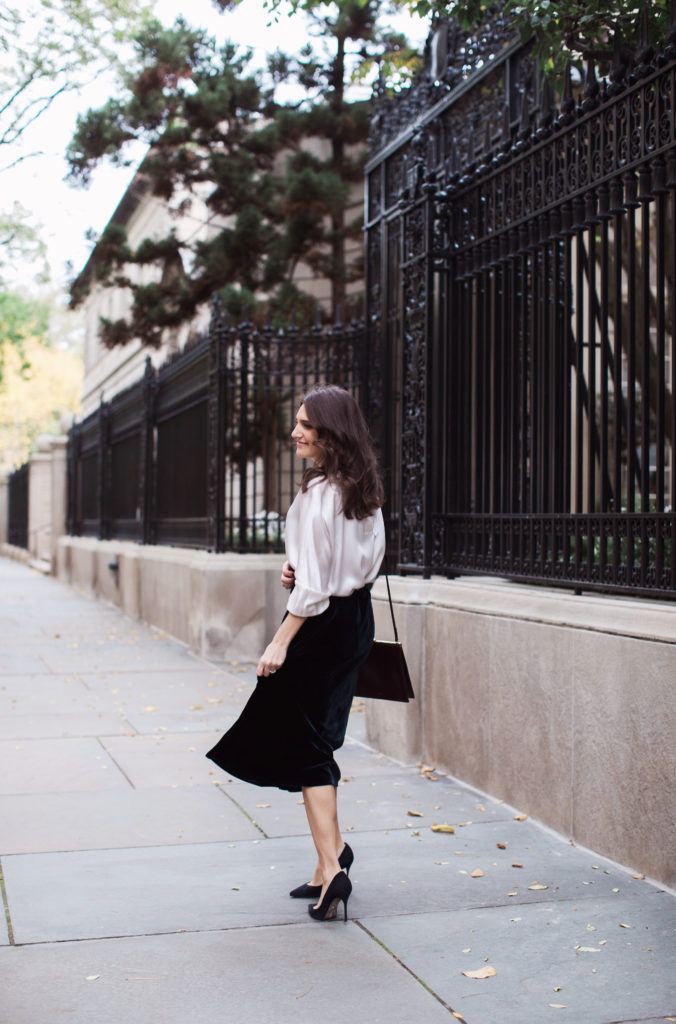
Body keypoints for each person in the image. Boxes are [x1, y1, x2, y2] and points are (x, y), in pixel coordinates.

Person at [206, 384, 385, 922]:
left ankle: (333, 870)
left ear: (332, 431)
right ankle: (326, 863)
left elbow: (313, 588)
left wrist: (281, 639)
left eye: (306, 424)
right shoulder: (363, 491)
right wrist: (301, 574)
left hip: (320, 625)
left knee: (307, 746)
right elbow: (347, 567)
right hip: (355, 622)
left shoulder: (316, 497)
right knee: (317, 737)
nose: (296, 432)